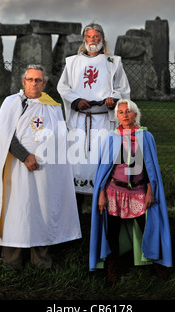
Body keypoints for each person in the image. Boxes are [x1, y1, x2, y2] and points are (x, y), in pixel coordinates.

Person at [0, 65, 81, 269]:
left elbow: (60, 139)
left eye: (39, 80)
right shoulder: (13, 103)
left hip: (45, 173)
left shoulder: (52, 106)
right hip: (17, 171)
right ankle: (11, 264)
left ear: (44, 83)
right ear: (23, 82)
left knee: (41, 212)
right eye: (31, 79)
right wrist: (25, 156)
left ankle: (41, 263)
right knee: (16, 212)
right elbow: (5, 135)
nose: (35, 83)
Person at [89, 99, 172, 283]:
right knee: (112, 232)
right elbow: (104, 169)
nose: (125, 115)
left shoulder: (146, 137)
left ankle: (158, 266)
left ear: (135, 114)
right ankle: (112, 270)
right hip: (114, 191)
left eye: (128, 111)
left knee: (148, 227)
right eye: (121, 112)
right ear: (117, 116)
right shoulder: (112, 137)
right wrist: (101, 193)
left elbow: (151, 167)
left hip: (139, 191)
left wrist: (151, 190)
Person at [57, 23, 131, 214]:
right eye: (89, 37)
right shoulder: (72, 62)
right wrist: (76, 100)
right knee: (78, 165)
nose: (93, 40)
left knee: (103, 162)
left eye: (97, 36)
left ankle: (104, 211)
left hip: (103, 121)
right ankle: (75, 215)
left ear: (102, 39)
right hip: (80, 122)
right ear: (84, 39)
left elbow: (123, 89)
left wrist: (113, 99)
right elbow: (63, 87)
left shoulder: (113, 62)